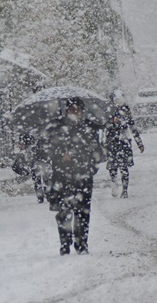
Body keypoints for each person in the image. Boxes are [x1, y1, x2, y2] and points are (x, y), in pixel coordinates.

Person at [37, 97, 105, 255]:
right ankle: (65, 244)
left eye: (77, 110)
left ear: (82, 111)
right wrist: (61, 156)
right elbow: (46, 149)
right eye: (71, 110)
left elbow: (97, 152)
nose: (75, 113)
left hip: (83, 177)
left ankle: (81, 244)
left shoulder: (88, 127)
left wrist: (88, 167)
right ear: (66, 111)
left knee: (82, 213)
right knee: (64, 212)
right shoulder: (57, 127)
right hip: (62, 177)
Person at [105, 90, 144, 198]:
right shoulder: (107, 110)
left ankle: (125, 190)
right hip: (111, 142)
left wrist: (139, 143)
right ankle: (114, 185)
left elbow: (132, 126)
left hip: (123, 141)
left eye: (120, 100)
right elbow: (103, 126)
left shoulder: (126, 110)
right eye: (116, 100)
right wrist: (112, 122)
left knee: (124, 167)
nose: (118, 103)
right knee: (112, 167)